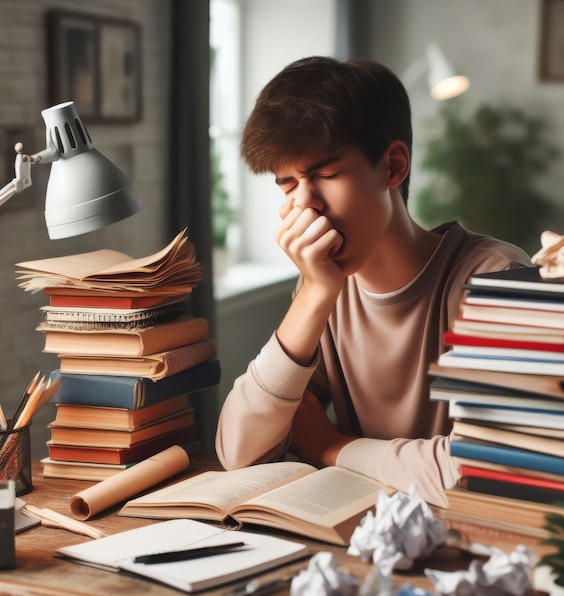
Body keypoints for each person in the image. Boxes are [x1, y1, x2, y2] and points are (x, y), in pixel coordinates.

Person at [215, 56, 531, 507]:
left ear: (392, 166)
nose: (306, 207)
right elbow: (238, 455)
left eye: (325, 174)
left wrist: (331, 446)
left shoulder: (497, 282)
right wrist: (314, 295)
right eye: (287, 186)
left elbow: (488, 471)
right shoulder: (325, 290)